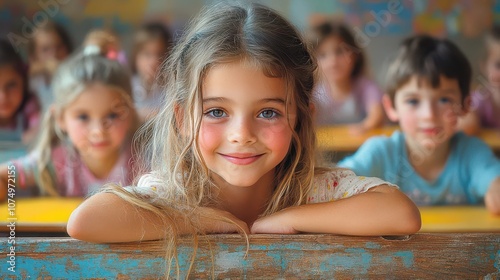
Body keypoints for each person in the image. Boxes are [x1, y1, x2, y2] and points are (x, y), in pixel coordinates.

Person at [67, 1, 419, 261]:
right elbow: (86, 221)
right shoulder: (176, 193)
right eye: (216, 111)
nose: (241, 134)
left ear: (300, 117)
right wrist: (198, 219)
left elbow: (401, 214)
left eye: (268, 112)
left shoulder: (316, 189)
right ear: (182, 119)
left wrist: (291, 219)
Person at [339, 35, 500, 214]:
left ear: (465, 106)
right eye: (413, 101)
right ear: (391, 107)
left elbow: (495, 185)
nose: (429, 115)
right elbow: (335, 181)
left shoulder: (472, 153)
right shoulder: (381, 152)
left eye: (444, 99)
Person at [0, 53, 139, 200]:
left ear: (129, 114)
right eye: (83, 117)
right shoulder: (56, 161)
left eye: (112, 116)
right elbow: (4, 174)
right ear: (60, 118)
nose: (98, 131)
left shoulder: (145, 162)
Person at [310, 21, 385, 134]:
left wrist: (364, 127)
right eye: (322, 55)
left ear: (355, 55)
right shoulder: (313, 93)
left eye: (340, 52)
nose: (333, 61)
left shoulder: (366, 87)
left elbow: (377, 115)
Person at [460, 25, 500, 134]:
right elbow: (465, 123)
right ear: (484, 66)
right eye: (498, 65)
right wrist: (469, 120)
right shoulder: (480, 99)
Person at [0, 39, 40, 145]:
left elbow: (39, 128)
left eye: (11, 85)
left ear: (24, 82)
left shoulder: (30, 106)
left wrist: (36, 133)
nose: (3, 96)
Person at [28, 21, 72, 113]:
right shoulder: (32, 80)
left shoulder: (75, 75)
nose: (54, 55)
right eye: (45, 49)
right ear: (34, 55)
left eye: (59, 47)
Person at [130, 22, 172, 121]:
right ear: (136, 57)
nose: (153, 62)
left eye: (160, 54)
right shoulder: (129, 86)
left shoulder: (171, 89)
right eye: (147, 54)